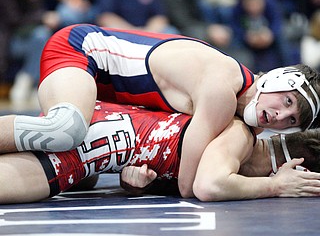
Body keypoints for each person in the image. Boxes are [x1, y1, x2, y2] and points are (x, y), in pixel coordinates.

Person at [0, 24, 320, 199]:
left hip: (106, 107)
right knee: (65, 129)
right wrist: (276, 185)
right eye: (288, 103)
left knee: (80, 161)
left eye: (290, 121)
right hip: (81, 52)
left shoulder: (239, 118)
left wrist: (142, 182)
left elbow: (182, 173)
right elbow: (193, 186)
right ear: (278, 77)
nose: (279, 117)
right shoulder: (222, 90)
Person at [1, 101, 320, 204]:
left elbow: (161, 163)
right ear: (298, 168)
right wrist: (276, 186)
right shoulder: (241, 136)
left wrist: (135, 183)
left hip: (96, 140)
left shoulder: (227, 149)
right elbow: (209, 186)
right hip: (86, 148)